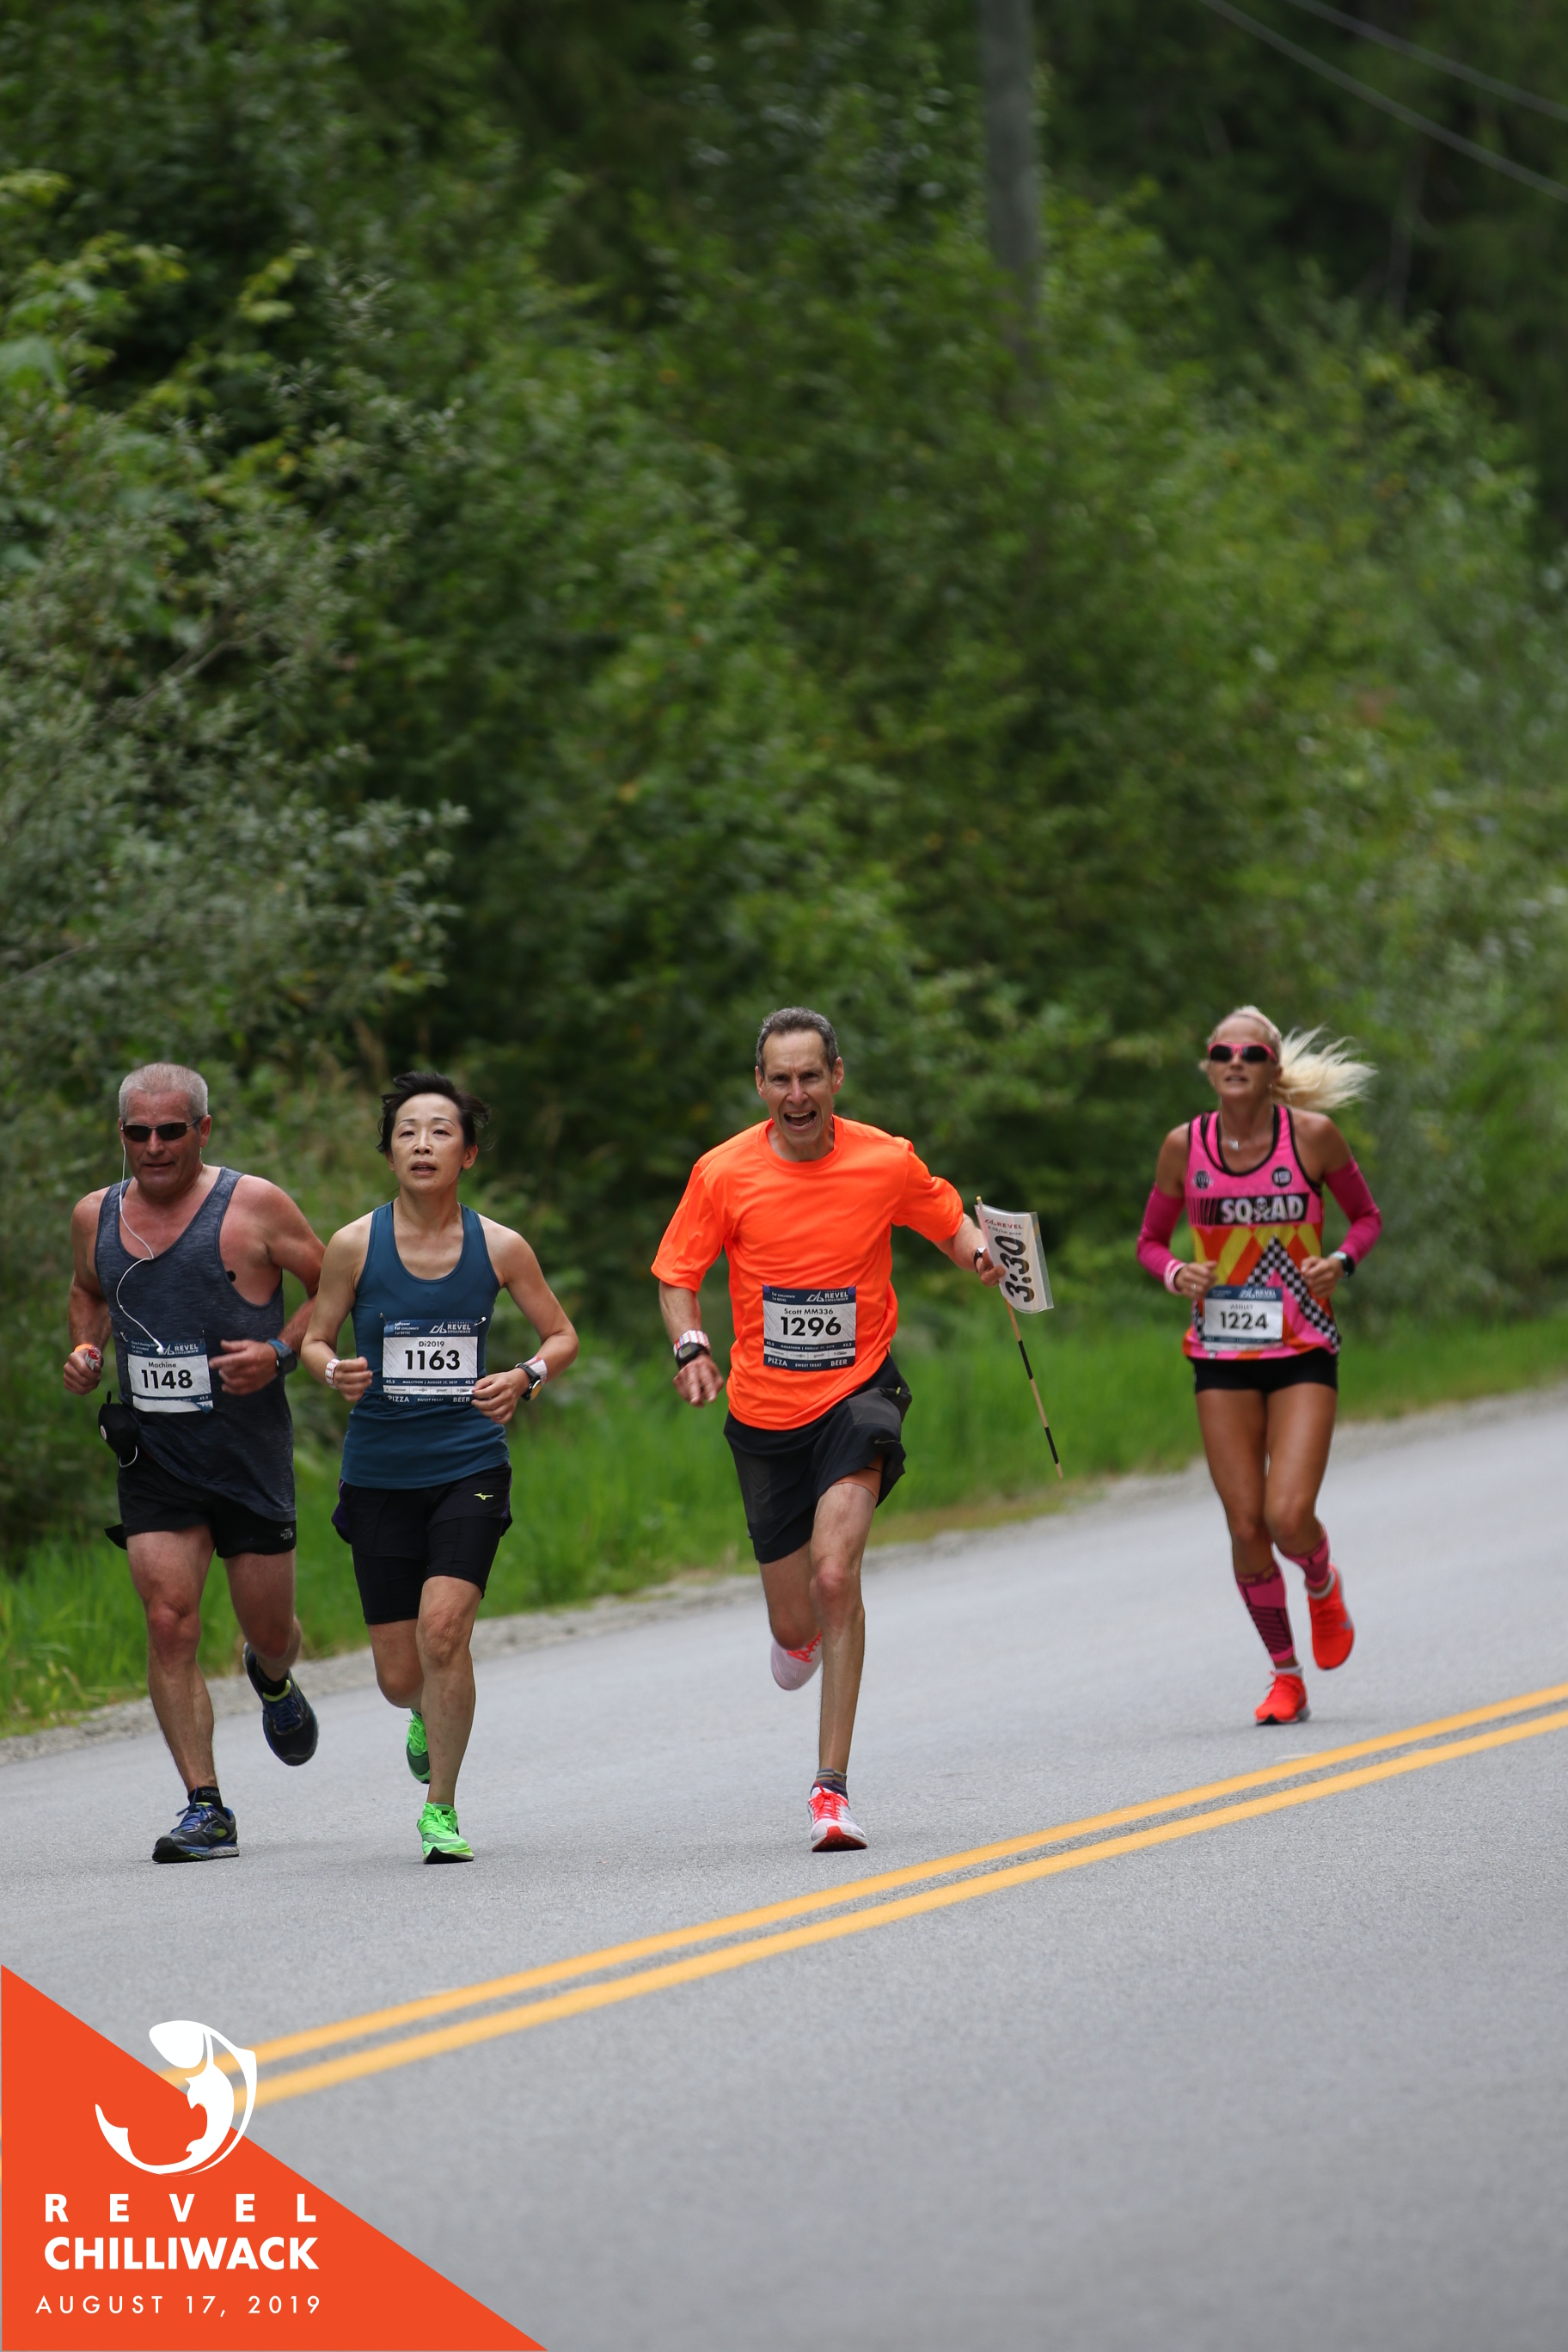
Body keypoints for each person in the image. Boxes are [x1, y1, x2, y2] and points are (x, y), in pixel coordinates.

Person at [653, 1007, 1004, 1853]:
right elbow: (677, 1275)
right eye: (781, 1078)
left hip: (859, 1396)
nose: (797, 1093)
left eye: (811, 1075)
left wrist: (982, 1255)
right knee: (793, 1625)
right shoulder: (723, 1172)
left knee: (837, 1575)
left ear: (837, 1077)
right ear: (760, 1085)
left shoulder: (885, 1160)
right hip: (764, 1415)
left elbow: (949, 1223)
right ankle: (799, 1636)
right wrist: (692, 1346)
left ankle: (830, 1791)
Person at [301, 1071, 578, 1865]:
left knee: (444, 1633)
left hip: (469, 1466)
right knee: (400, 1676)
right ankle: (425, 1712)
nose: (423, 1144)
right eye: (408, 1132)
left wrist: (524, 1377)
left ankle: (441, 1810)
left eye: (441, 1132)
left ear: (469, 1153)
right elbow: (315, 1338)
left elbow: (561, 1335)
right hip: (379, 1472)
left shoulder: (501, 1247)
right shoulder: (354, 1245)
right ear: (390, 1152)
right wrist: (333, 1371)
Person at [63, 1063, 327, 1862]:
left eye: (171, 1130)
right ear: (121, 1134)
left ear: (202, 1130)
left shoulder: (256, 1205)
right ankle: (206, 1807)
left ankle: (271, 1676)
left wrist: (279, 1352)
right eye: (138, 1132)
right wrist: (85, 1348)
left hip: (247, 1454)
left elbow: (335, 1286)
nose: (154, 1146)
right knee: (168, 1621)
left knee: (270, 1629)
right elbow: (88, 1290)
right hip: (155, 1455)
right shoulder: (95, 1214)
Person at [1136, 1007, 1383, 1725]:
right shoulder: (1184, 1146)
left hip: (1302, 1346)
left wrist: (1341, 1262)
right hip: (1221, 1352)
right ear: (1209, 1066)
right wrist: (1175, 1272)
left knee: (1287, 1514)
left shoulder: (1313, 1137)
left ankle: (1320, 1580)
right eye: (1223, 1052)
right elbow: (1150, 1241)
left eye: (1251, 1053)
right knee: (1246, 1526)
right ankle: (1285, 1676)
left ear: (1274, 1067)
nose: (1235, 1062)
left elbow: (1367, 1219)